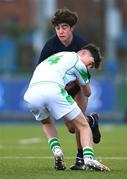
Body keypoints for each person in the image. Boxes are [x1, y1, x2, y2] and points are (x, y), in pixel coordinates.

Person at [24, 44, 110, 171]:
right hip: (53, 89)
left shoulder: (55, 57)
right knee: (83, 125)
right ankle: (89, 158)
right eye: (91, 64)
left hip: (31, 93)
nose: (89, 68)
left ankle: (57, 151)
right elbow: (87, 92)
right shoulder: (77, 61)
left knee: (46, 122)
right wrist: (80, 81)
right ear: (83, 54)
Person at [37, 8, 101, 170]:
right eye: (58, 28)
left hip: (78, 87)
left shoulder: (81, 45)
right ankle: (91, 121)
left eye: (64, 27)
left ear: (72, 28)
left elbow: (85, 75)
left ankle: (81, 159)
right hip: (60, 90)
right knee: (72, 128)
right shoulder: (50, 45)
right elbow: (42, 69)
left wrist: (74, 84)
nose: (60, 31)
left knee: (79, 124)